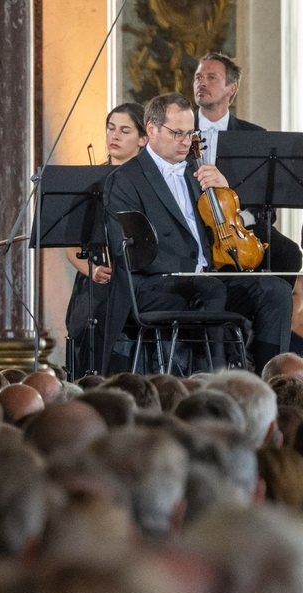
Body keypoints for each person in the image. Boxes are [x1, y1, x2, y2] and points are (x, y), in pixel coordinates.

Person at [103, 92, 292, 373]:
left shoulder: (198, 172)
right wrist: (190, 270)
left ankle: (270, 380)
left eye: (190, 132)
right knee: (210, 288)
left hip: (205, 279)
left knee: (275, 290)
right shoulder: (124, 180)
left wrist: (223, 189)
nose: (186, 141)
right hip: (154, 284)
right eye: (177, 133)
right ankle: (215, 381)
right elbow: (126, 251)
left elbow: (223, 228)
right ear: (152, 130)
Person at [192, 52, 302, 277]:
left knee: (288, 254)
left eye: (211, 77)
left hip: (240, 227)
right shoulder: (179, 131)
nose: (201, 83)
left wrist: (238, 221)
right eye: (198, 77)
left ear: (231, 89)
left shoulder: (254, 136)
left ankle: (259, 308)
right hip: (192, 219)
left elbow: (267, 207)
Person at [64, 103, 146, 377]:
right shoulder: (90, 183)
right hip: (97, 278)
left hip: (138, 282)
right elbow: (72, 247)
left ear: (143, 139)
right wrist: (93, 269)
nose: (115, 136)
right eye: (111, 129)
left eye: (125, 131)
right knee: (91, 315)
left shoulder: (147, 183)